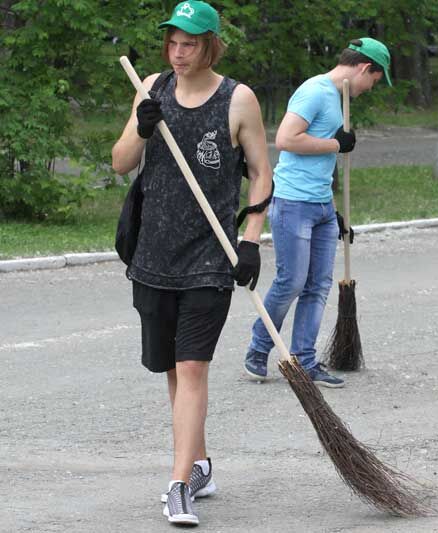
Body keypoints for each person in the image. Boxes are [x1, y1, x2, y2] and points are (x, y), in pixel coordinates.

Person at [111, 0, 272, 525]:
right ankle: (199, 463)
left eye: (190, 44)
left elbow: (261, 173)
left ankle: (178, 484)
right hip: (153, 254)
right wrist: (141, 125)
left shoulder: (237, 98)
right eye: (173, 43)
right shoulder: (152, 86)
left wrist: (250, 240)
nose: (179, 53)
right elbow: (119, 163)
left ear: (211, 44)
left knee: (193, 366)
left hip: (210, 256)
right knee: (174, 373)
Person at [243, 37, 392, 387]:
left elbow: (325, 161)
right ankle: (258, 348)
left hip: (321, 205)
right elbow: (286, 139)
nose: (372, 87)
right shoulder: (315, 91)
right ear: (364, 68)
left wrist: (336, 210)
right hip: (293, 203)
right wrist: (336, 144)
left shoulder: (340, 99)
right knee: (291, 282)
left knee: (318, 286)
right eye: (374, 79)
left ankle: (305, 361)